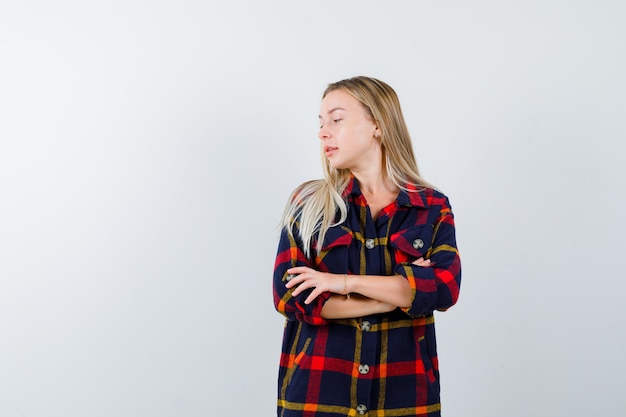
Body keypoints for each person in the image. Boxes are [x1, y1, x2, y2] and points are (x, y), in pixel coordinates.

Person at [272, 76, 461, 417]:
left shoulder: (431, 206)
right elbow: (291, 298)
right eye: (320, 122)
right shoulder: (308, 204)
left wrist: (341, 283)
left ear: (377, 124)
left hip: (404, 400)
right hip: (318, 398)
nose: (322, 132)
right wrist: (400, 293)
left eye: (336, 119)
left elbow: (444, 290)